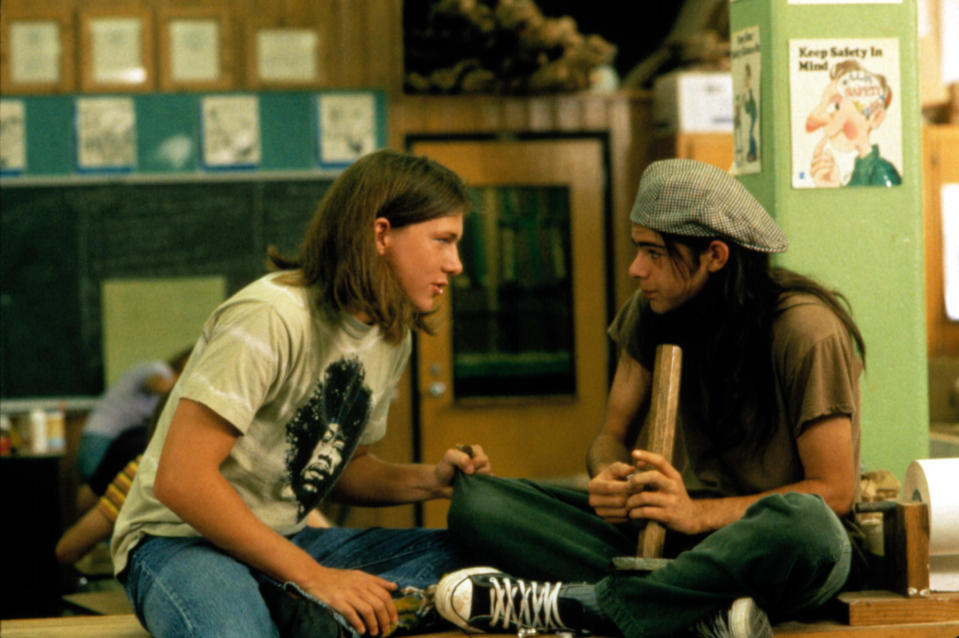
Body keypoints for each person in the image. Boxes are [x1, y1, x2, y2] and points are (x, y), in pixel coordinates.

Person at [435, 159, 866, 638]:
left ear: (715, 256)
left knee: (805, 525)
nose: (636, 269)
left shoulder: (806, 329)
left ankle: (594, 607)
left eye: (654, 253)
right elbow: (608, 439)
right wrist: (612, 479)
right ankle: (701, 614)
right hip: (671, 543)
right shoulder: (651, 310)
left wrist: (699, 514)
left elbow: (835, 491)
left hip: (769, 550)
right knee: (479, 504)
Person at [110, 149, 491, 638]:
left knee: (476, 564)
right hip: (182, 541)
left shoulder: (392, 335)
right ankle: (294, 602)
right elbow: (181, 481)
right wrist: (316, 578)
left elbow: (343, 469)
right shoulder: (271, 315)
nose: (456, 264)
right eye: (443, 240)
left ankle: (289, 602)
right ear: (381, 234)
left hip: (286, 539)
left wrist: (430, 481)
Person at [76, 348, 191, 486]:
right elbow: (160, 385)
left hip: (117, 440)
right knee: (95, 485)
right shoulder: (158, 369)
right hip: (101, 436)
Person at [806, 59, 901, 187]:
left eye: (836, 107)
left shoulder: (881, 171)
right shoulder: (858, 171)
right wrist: (833, 187)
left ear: (875, 118)